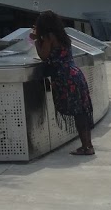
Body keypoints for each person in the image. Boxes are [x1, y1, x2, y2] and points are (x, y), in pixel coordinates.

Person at [32, 10, 96, 156]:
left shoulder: (49, 37)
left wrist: (36, 41)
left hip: (64, 77)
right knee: (81, 112)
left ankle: (87, 147)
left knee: (78, 113)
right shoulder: (63, 36)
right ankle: (88, 146)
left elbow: (43, 56)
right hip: (75, 74)